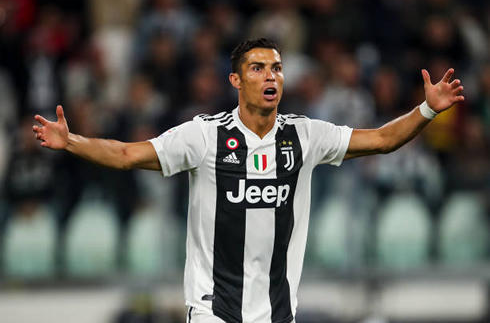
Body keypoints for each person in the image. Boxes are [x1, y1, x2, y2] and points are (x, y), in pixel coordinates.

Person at [33, 38, 464, 323]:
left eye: (276, 68)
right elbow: (128, 155)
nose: (270, 76)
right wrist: (71, 141)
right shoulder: (203, 136)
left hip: (278, 313)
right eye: (257, 68)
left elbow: (385, 140)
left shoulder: (306, 135)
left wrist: (426, 110)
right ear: (236, 80)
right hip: (213, 310)